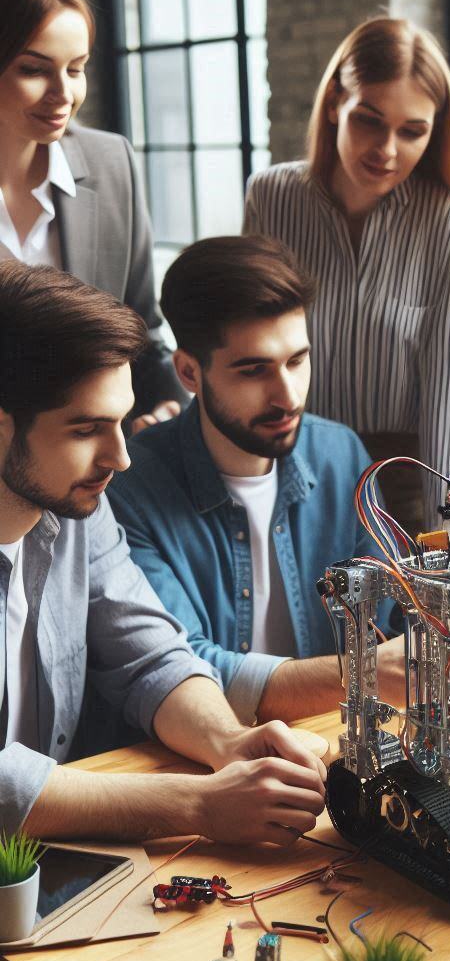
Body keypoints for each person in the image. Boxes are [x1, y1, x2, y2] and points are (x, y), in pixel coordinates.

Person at [0, 260, 327, 845]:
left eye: (122, 422)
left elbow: (149, 656)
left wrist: (227, 743)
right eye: (85, 430)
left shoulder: (80, 506)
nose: (120, 457)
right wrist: (194, 805)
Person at [106, 236, 404, 729]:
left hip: (335, 740)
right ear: (188, 372)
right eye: (253, 370)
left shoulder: (341, 454)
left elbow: (390, 618)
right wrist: (362, 674)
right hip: (202, 764)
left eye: (296, 360)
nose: (287, 396)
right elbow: (185, 670)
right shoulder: (131, 487)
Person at [243, 16, 450, 533]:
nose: (387, 150)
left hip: (400, 492)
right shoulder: (270, 198)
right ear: (336, 101)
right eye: (369, 120)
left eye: (412, 132)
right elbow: (245, 354)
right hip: (284, 474)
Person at [0, 0, 185, 427]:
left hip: (94, 461)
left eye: (76, 68)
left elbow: (142, 330)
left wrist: (169, 409)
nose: (64, 95)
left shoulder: (111, 163)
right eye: (34, 69)